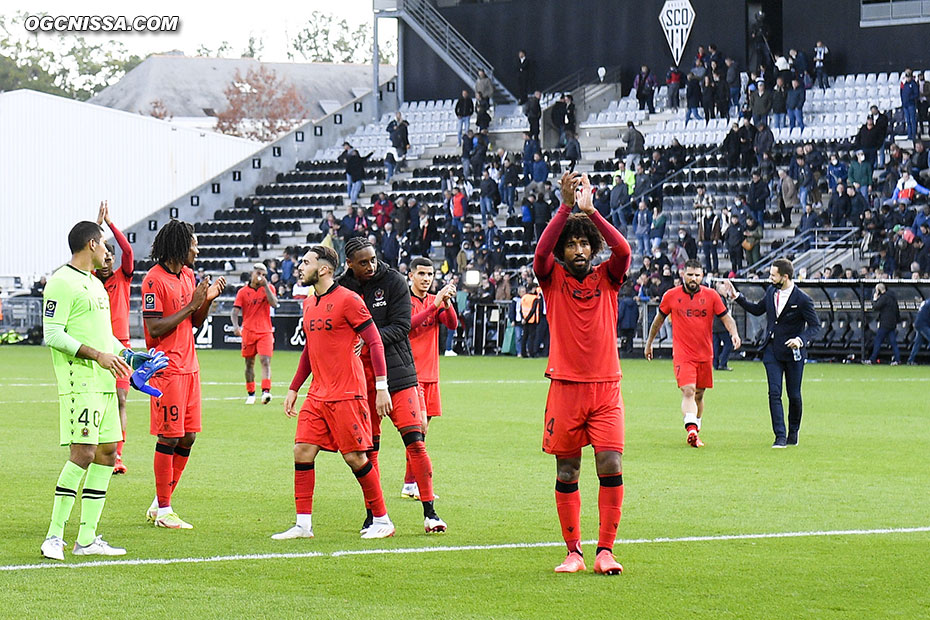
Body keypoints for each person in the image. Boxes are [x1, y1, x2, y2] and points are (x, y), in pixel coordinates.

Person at [534, 171, 632, 575]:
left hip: (606, 389)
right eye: (570, 243)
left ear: (592, 249)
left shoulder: (607, 278)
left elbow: (623, 251)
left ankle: (605, 550)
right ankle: (573, 550)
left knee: (610, 464)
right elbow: (540, 255)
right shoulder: (552, 279)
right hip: (565, 389)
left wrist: (592, 213)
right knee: (567, 469)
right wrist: (563, 208)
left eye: (583, 243)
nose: (577, 248)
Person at [273, 246, 396, 540]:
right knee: (302, 450)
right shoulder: (309, 304)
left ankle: (382, 520)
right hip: (317, 395)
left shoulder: (349, 300)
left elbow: (375, 341)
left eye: (306, 262)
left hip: (347, 393)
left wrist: (381, 387)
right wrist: (294, 388)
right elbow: (310, 350)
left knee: (355, 457)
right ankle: (303, 525)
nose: (300, 267)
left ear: (324, 269)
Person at [40, 220, 137, 560]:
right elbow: (52, 333)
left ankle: (87, 538)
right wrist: (98, 355)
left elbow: (103, 335)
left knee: (108, 453)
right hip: (79, 382)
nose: (108, 253)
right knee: (83, 453)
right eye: (104, 246)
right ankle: (54, 537)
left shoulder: (95, 285)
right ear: (92, 244)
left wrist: (127, 355)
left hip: (104, 382)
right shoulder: (61, 282)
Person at [340, 237, 447, 534]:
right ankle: (374, 513)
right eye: (363, 262)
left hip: (399, 374)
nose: (371, 266)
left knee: (415, 441)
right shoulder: (343, 287)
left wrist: (368, 338)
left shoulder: (394, 282)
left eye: (373, 259)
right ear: (349, 263)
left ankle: (430, 512)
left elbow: (402, 326)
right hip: (361, 377)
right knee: (368, 449)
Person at [142, 220, 227, 528]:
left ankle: (159, 503)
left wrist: (206, 302)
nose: (198, 249)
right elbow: (153, 329)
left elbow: (195, 324)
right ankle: (165, 511)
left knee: (188, 436)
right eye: (194, 243)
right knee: (169, 436)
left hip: (190, 366)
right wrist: (193, 304)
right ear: (179, 245)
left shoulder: (189, 275)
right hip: (167, 368)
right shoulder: (154, 280)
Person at [721, 259, 820, 447]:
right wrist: (737, 297)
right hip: (772, 351)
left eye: (773, 275)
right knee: (774, 393)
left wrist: (800, 340)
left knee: (794, 395)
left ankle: (793, 432)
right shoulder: (771, 292)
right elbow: (758, 310)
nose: (770, 277)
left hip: (793, 354)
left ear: (785, 276)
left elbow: (815, 326)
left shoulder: (802, 299)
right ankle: (780, 436)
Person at [644, 260, 741, 447]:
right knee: (688, 390)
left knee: (699, 395)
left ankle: (696, 430)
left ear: (702, 276)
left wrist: (734, 334)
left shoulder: (712, 296)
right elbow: (658, 321)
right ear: (683, 275)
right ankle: (691, 429)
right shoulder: (671, 296)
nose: (693, 278)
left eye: (697, 275)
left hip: (705, 354)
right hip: (683, 354)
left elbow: (727, 318)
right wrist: (649, 343)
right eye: (690, 274)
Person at [402, 258, 458, 499]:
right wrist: (434, 305)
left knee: (421, 434)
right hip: (412, 375)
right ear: (411, 276)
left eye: (430, 274)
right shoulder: (405, 301)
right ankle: (413, 485)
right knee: (418, 429)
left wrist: (446, 302)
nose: (426, 278)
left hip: (431, 375)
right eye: (422, 274)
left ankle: (409, 484)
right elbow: (408, 326)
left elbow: (452, 324)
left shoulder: (433, 300)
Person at [92, 201, 133, 475]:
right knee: (98, 400)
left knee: (120, 399)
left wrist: (110, 224)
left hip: (121, 347)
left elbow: (128, 250)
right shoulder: (89, 279)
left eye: (110, 257)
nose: (107, 261)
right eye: (103, 255)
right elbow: (85, 250)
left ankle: (117, 454)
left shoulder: (123, 277)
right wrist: (95, 228)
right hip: (96, 347)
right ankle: (95, 448)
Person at [231, 263, 279, 405]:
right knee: (249, 363)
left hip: (265, 331)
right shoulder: (243, 292)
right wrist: (235, 326)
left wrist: (265, 286)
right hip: (248, 332)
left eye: (264, 275)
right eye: (259, 273)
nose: (261, 277)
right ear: (252, 273)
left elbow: (275, 304)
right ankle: (251, 393)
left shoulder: (269, 288)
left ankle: (266, 391)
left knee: (265, 361)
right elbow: (235, 311)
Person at [866, 283, 901, 365]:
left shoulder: (884, 297)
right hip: (892, 323)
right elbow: (897, 310)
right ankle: (898, 359)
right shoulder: (892, 297)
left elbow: (876, 307)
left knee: (878, 340)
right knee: (893, 342)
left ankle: (872, 359)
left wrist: (874, 299)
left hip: (885, 323)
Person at [906, 297, 930, 365]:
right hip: (923, 324)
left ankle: (910, 360)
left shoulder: (926, 301)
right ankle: (910, 360)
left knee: (917, 343)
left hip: (919, 323)